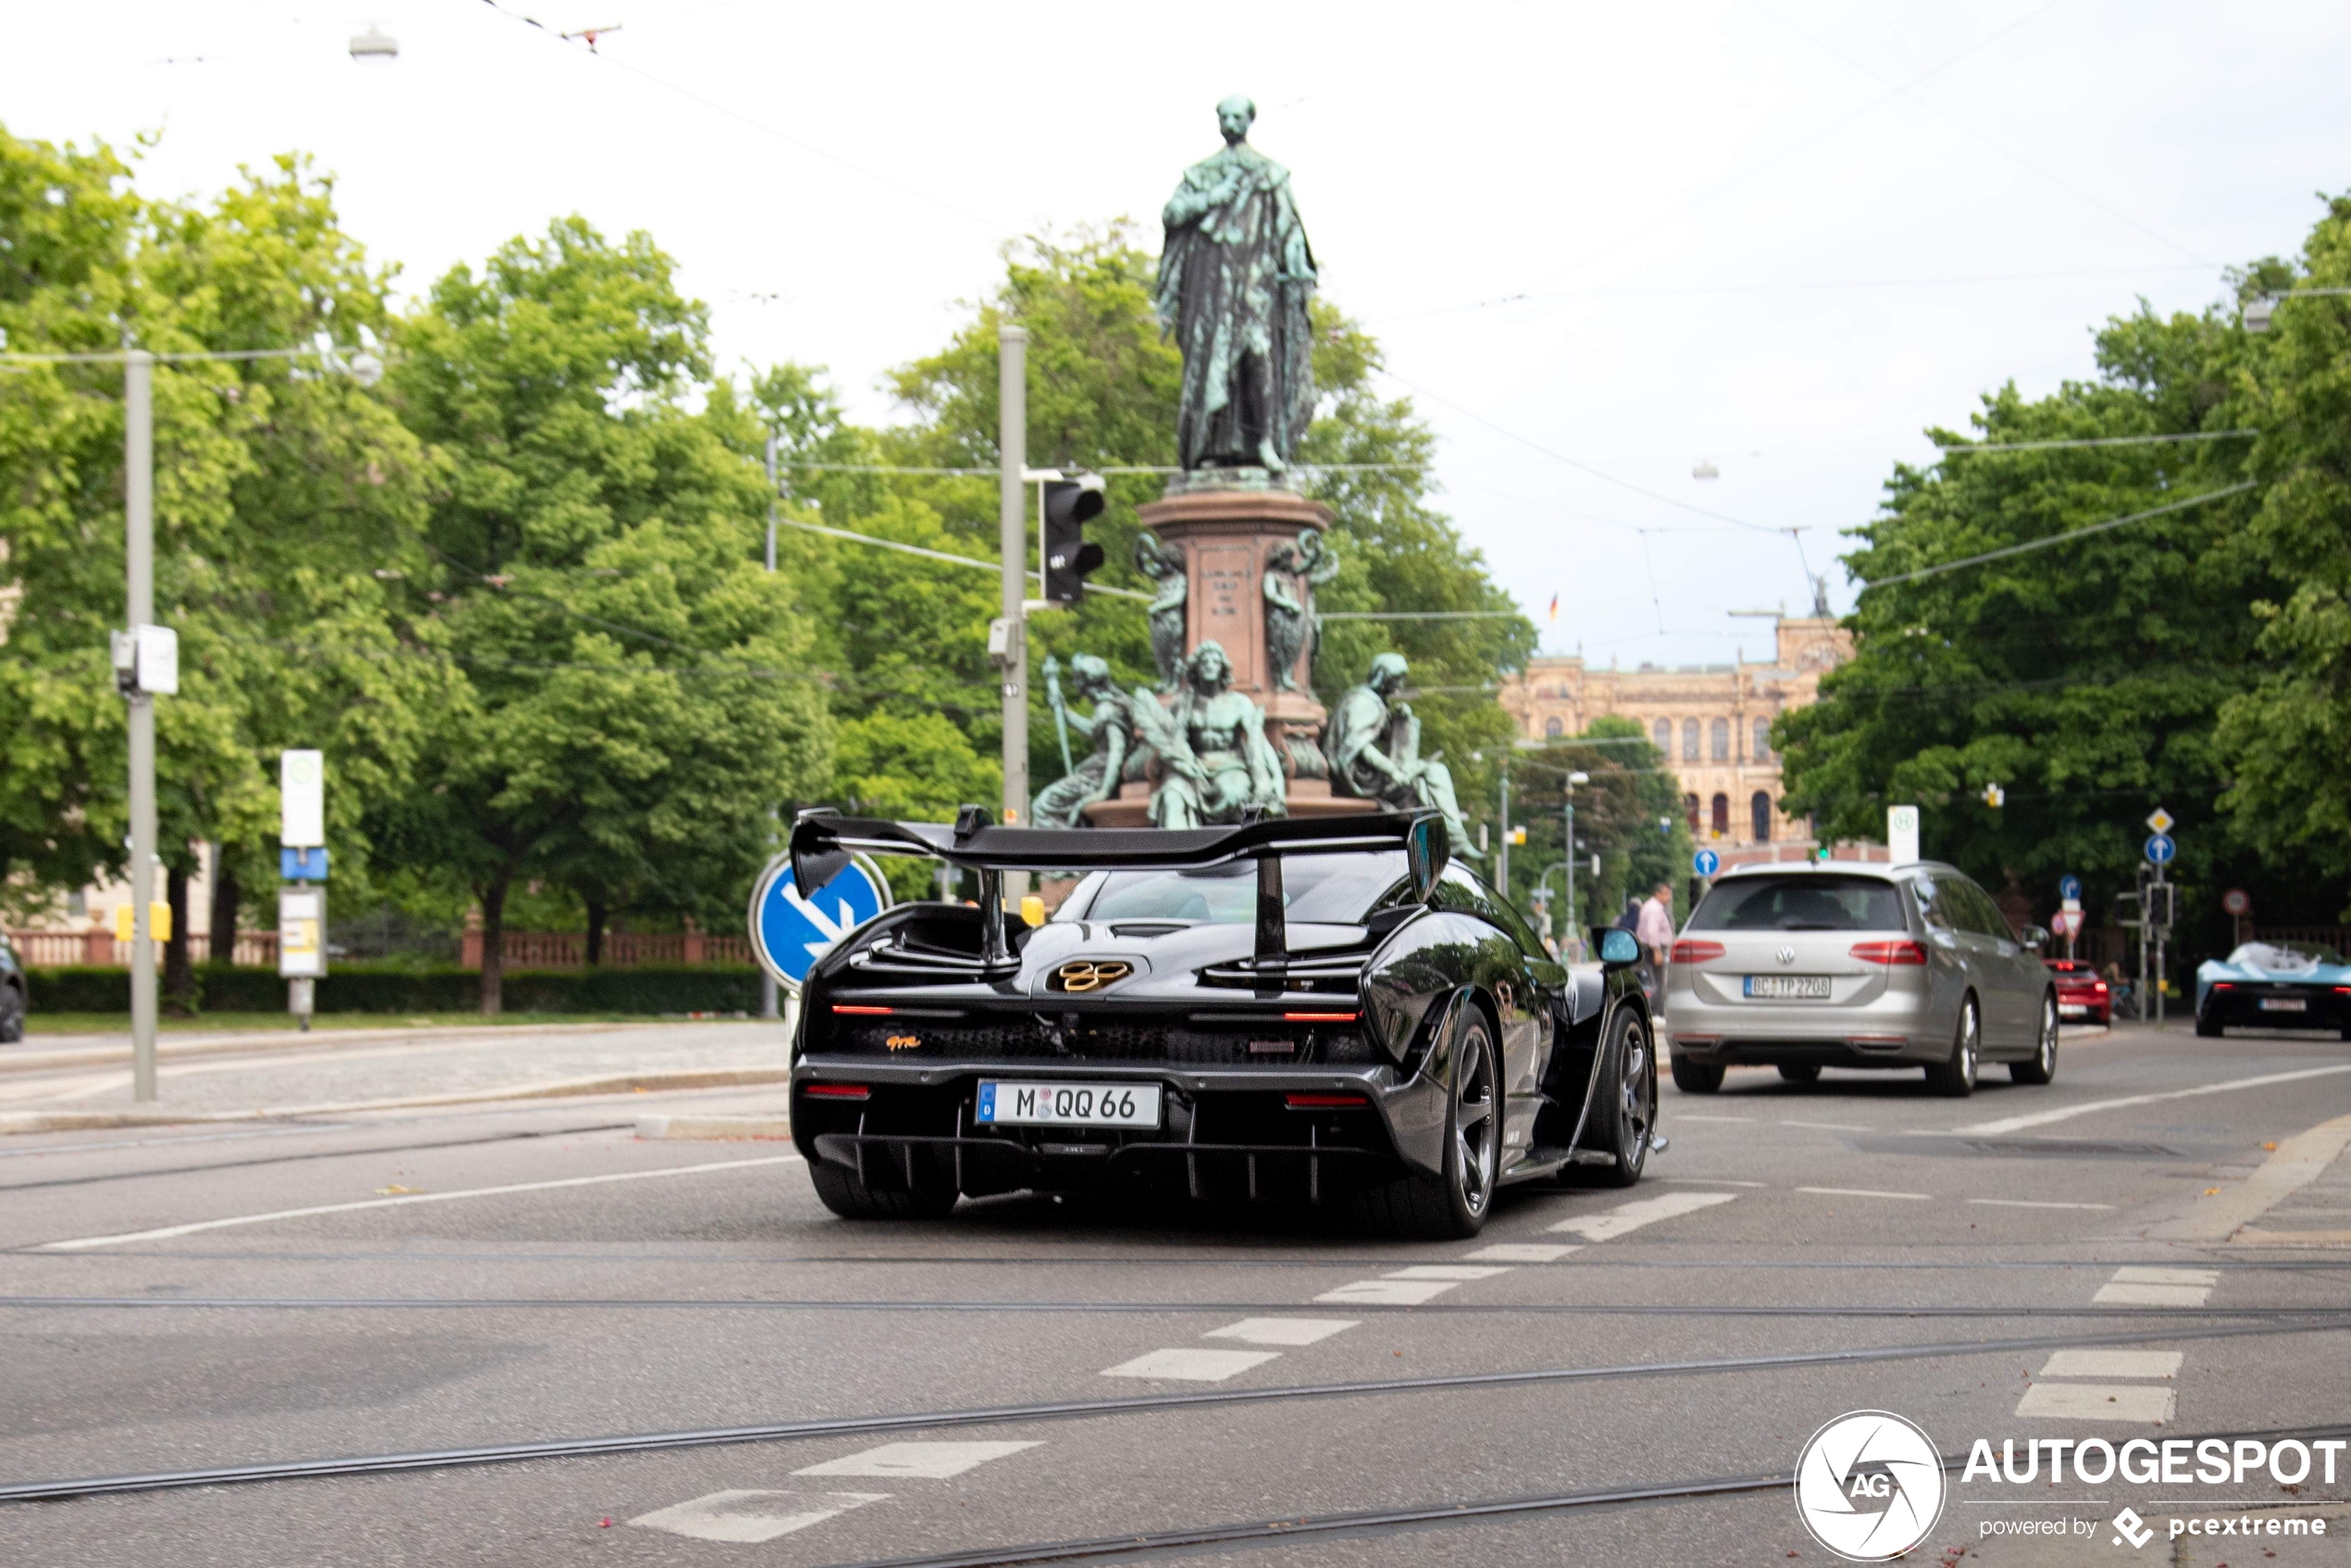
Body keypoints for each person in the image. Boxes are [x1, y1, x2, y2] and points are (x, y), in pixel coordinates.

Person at [1636, 880, 1677, 1011]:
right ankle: (1655, 1011)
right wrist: (1657, 950)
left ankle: (1655, 1010)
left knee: (1655, 982)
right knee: (1658, 984)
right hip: (1654, 949)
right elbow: (1652, 931)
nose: (1669, 897)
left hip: (1651, 948)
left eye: (1669, 894)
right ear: (1657, 894)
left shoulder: (1651, 906)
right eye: (1665, 894)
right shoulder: (1654, 909)